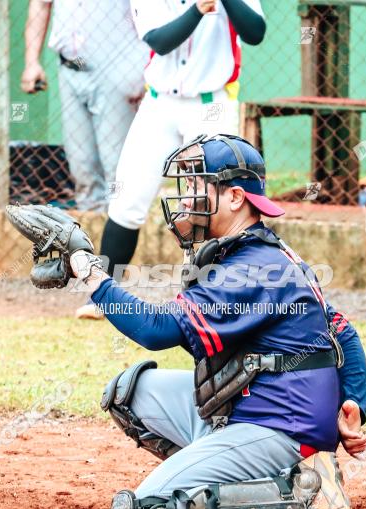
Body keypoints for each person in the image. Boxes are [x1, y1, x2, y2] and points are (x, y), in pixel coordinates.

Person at [9, 134, 366, 509]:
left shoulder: (251, 267)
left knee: (152, 507)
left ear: (234, 197)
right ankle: (223, 466)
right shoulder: (257, 253)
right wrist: (353, 405)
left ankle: (303, 490)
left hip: (281, 430)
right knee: (130, 394)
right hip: (249, 412)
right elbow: (343, 332)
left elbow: (156, 330)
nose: (184, 198)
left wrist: (89, 272)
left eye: (197, 186)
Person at [75, 0, 266, 319]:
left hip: (211, 104)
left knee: (211, 206)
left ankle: (210, 301)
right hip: (159, 104)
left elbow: (256, 32)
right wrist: (197, 10)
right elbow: (159, 41)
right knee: (128, 199)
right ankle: (102, 296)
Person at [21, 0, 146, 211]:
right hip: (70, 68)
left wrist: (141, 71)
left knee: (118, 170)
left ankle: (123, 231)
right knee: (83, 168)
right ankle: (92, 237)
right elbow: (41, 5)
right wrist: (32, 61)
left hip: (117, 68)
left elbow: (149, 12)